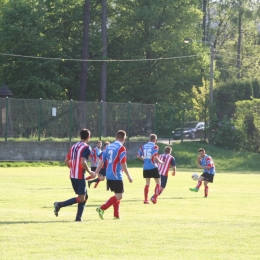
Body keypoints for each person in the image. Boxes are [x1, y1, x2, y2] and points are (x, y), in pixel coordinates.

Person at [53, 129, 95, 221]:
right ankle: (59, 204)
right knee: (81, 198)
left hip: (72, 176)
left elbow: (66, 161)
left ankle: (78, 218)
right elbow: (83, 162)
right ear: (88, 137)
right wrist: (90, 172)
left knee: (84, 197)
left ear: (80, 136)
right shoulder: (86, 147)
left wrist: (73, 169)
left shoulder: (74, 146)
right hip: (80, 176)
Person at [95, 130, 133, 220]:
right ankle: (102, 208)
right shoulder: (121, 148)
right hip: (116, 174)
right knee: (120, 196)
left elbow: (101, 160)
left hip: (108, 174)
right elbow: (123, 163)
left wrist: (96, 172)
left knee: (117, 195)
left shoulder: (108, 147)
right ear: (124, 139)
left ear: (116, 137)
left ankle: (116, 215)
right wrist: (128, 175)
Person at [137, 134, 164, 204]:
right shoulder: (155, 146)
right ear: (155, 140)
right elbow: (155, 157)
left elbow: (138, 155)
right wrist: (161, 162)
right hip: (153, 166)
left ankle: (145, 200)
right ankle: (154, 198)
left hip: (145, 167)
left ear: (149, 139)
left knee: (147, 184)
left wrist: (144, 159)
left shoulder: (143, 146)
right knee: (158, 183)